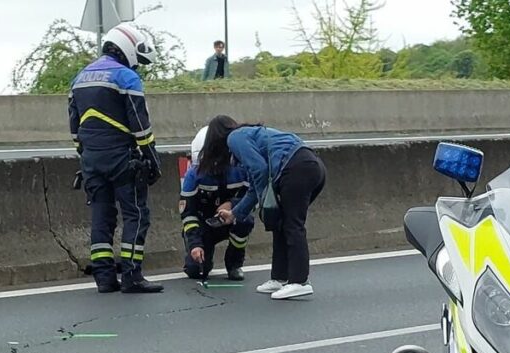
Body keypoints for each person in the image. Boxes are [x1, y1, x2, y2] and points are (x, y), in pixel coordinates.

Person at [68, 23, 164, 294]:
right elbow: (140, 126)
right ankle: (133, 276)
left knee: (101, 215)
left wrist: (85, 156)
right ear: (128, 47)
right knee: (136, 214)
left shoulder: (80, 77)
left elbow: (74, 127)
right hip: (122, 157)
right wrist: (152, 159)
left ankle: (104, 278)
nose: (138, 67)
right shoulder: (126, 77)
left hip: (91, 159)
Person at [199, 116, 327, 300]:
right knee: (282, 224)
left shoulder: (234, 138)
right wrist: (235, 214)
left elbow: (260, 170)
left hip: (297, 168)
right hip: (310, 166)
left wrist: (266, 205)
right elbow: (254, 184)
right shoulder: (248, 137)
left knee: (292, 225)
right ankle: (279, 278)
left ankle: (299, 282)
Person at [180, 127, 254, 281]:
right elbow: (188, 214)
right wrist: (195, 244)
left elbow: (253, 198)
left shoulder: (242, 170)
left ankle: (234, 263)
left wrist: (232, 204)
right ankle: (204, 256)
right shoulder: (193, 175)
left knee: (245, 219)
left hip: (230, 220)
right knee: (196, 272)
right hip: (204, 225)